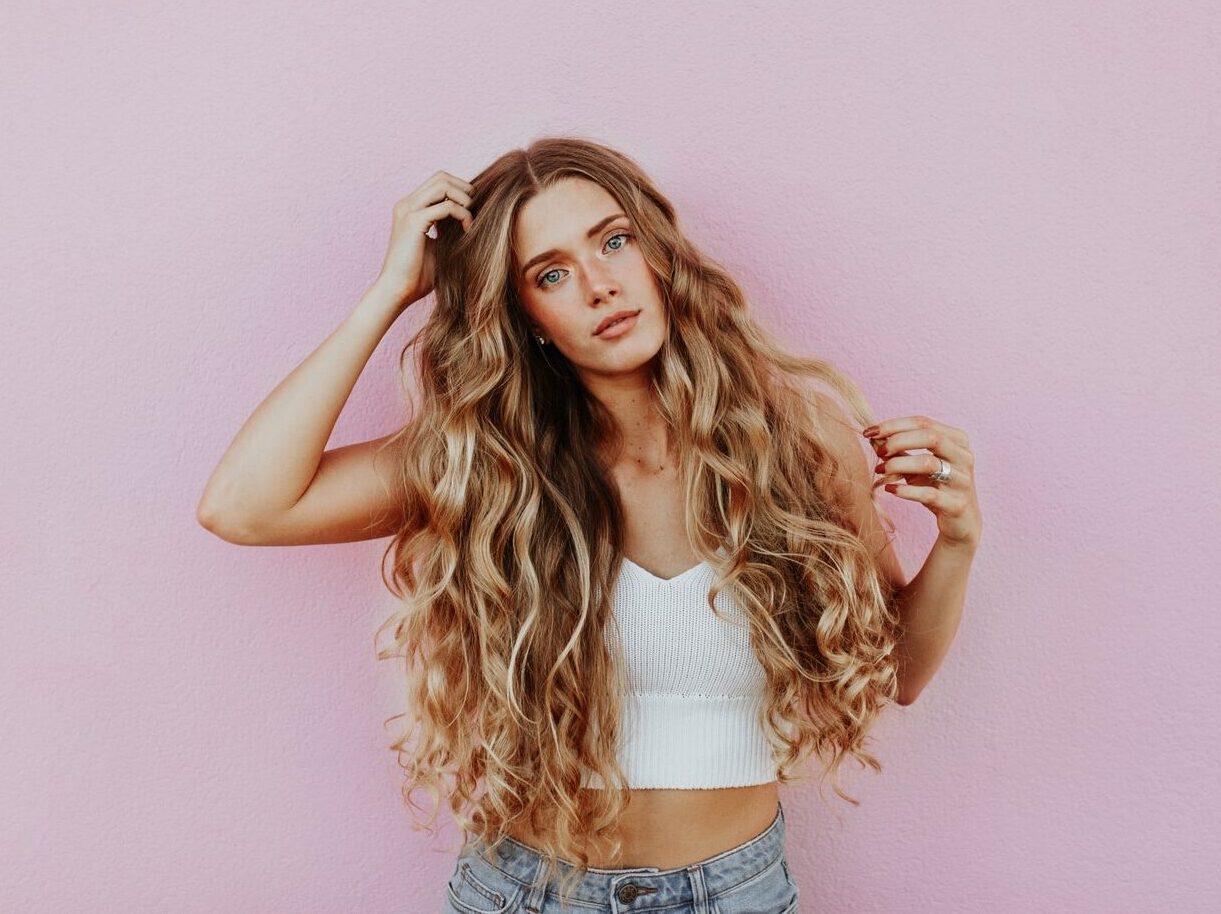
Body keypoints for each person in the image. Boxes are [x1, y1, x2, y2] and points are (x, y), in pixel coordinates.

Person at [197, 136, 981, 914]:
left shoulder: (796, 442)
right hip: (528, 893)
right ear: (525, 316)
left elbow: (897, 675)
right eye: (552, 274)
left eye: (613, 241)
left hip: (734, 895)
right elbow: (245, 507)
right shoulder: (489, 465)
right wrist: (393, 290)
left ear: (658, 253)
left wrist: (955, 542)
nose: (601, 286)